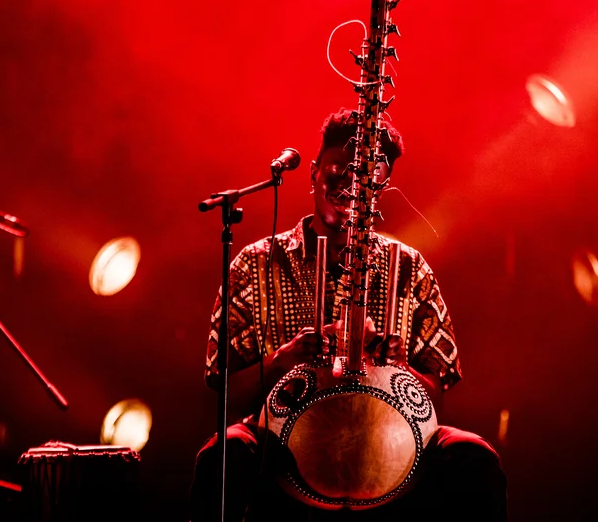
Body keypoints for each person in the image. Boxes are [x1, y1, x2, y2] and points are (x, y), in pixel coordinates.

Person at [189, 108, 508, 521]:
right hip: (282, 445)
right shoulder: (256, 263)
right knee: (225, 453)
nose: (349, 186)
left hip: (391, 444)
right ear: (314, 173)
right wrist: (284, 360)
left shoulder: (407, 266)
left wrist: (398, 370)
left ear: (381, 188)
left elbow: (435, 398)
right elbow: (224, 388)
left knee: (471, 456)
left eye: (365, 178)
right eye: (338, 171)